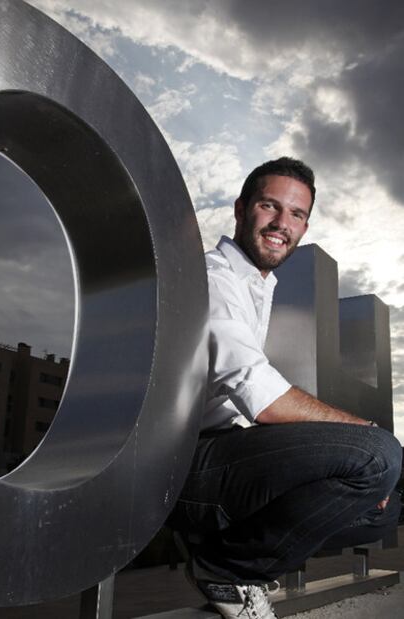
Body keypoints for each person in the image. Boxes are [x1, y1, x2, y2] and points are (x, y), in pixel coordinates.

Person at [169, 157, 402, 619]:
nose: (282, 224)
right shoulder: (214, 278)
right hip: (184, 465)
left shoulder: (257, 285)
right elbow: (260, 395)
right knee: (380, 455)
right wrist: (367, 431)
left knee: (384, 509)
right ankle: (227, 568)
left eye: (296, 214)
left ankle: (236, 557)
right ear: (241, 209)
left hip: (223, 454)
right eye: (269, 207)